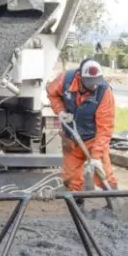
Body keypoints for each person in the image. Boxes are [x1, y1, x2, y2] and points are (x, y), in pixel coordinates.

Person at [47, 59, 117, 197]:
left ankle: (114, 201)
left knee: (104, 174)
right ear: (80, 77)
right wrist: (60, 111)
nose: (95, 86)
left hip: (93, 139)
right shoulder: (65, 80)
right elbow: (51, 93)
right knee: (71, 180)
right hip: (71, 140)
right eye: (91, 83)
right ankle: (78, 209)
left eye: (97, 81)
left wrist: (96, 157)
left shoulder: (104, 92)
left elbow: (105, 127)